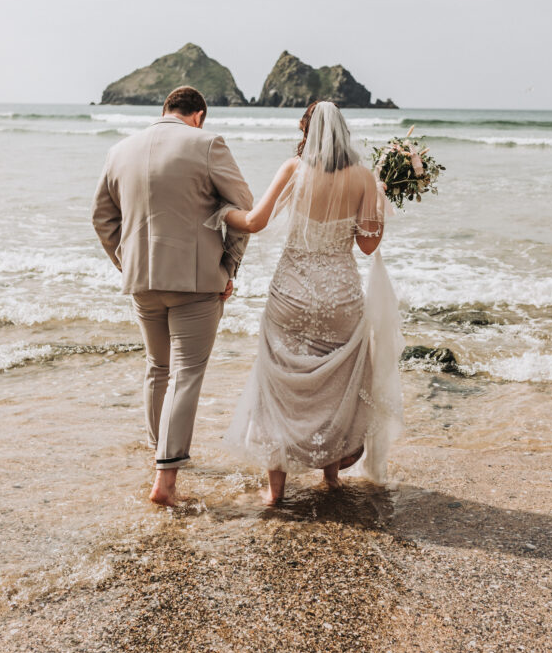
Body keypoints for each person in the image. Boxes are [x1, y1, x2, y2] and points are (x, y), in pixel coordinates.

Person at [215, 100, 404, 504]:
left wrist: (220, 212)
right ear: (344, 131)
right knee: (335, 385)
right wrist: (380, 200)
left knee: (278, 381)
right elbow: (368, 246)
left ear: (308, 132)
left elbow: (255, 222)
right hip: (340, 295)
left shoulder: (292, 170)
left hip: (292, 293)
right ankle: (331, 478)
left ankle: (275, 490)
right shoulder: (365, 178)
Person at [91, 86, 253, 506]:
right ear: (198, 115)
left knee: (157, 367)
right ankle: (165, 482)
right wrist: (228, 267)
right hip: (196, 281)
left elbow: (102, 218)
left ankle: (158, 450)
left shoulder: (120, 150)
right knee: (187, 373)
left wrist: (125, 263)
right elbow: (244, 207)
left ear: (165, 109)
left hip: (141, 281)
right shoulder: (207, 143)